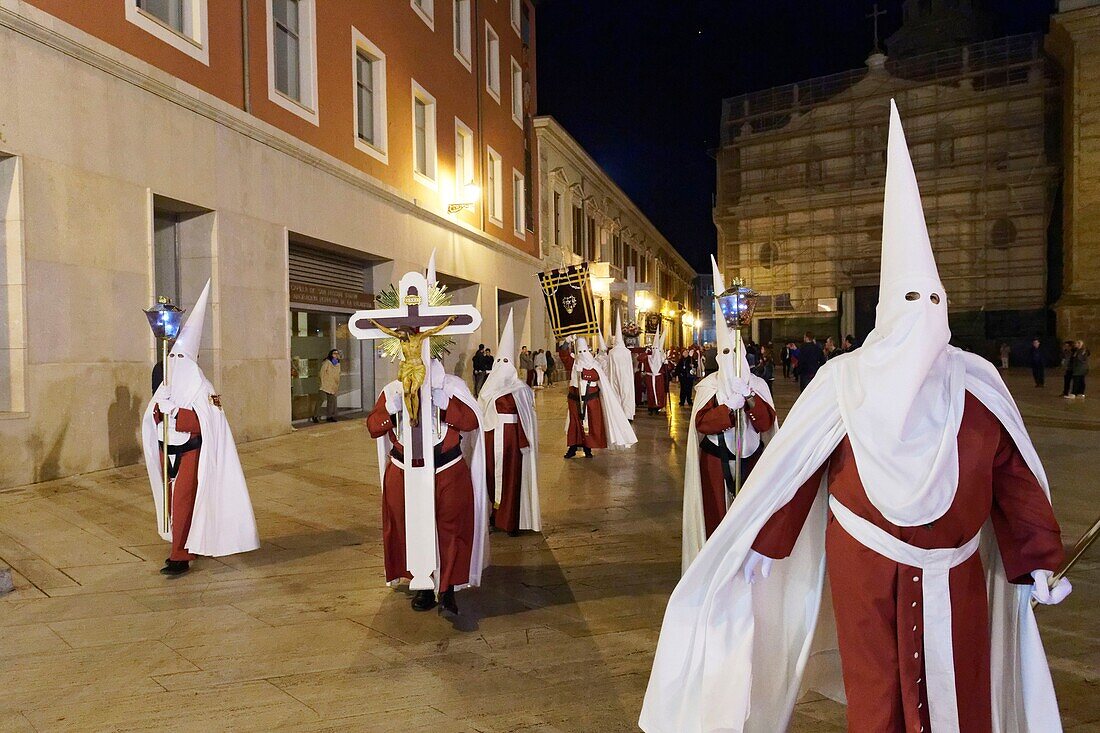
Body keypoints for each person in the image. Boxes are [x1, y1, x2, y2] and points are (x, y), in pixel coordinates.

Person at [641, 102, 1071, 733]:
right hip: (864, 562)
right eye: (911, 300)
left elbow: (1013, 477)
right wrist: (765, 540)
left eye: (935, 300)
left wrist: (1036, 556)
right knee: (877, 697)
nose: (924, 315)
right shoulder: (845, 383)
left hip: (953, 571)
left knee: (962, 694)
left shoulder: (974, 385)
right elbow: (796, 465)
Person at [141, 280, 260, 577]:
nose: (176, 361)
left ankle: (180, 554)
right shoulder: (166, 380)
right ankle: (181, 545)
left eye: (181, 357)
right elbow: (152, 415)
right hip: (165, 450)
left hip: (190, 453)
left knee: (183, 502)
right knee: (171, 503)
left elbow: (208, 420)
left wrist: (177, 415)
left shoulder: (201, 385)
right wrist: (159, 411)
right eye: (173, 357)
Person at [366, 359, 488, 615]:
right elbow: (374, 427)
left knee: (452, 527)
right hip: (403, 470)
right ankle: (420, 583)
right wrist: (390, 409)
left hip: (448, 468)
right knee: (408, 527)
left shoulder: (453, 387)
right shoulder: (392, 390)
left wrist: (447, 406)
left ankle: (448, 586)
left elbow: (472, 422)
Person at [682, 257, 778, 570]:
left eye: (734, 352)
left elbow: (766, 423)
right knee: (718, 519)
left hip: (750, 461)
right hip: (714, 464)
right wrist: (727, 408)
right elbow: (701, 424)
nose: (730, 358)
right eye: (725, 353)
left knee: (750, 520)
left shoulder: (758, 384)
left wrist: (749, 399)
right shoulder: (708, 386)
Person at [478, 311, 541, 536]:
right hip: (491, 437)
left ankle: (511, 520)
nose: (503, 366)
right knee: (490, 478)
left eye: (507, 362)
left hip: (513, 440)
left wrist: (524, 437)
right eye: (499, 362)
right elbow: (480, 413)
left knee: (512, 479)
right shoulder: (487, 389)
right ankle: (494, 517)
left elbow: (527, 416)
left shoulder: (521, 389)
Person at [565, 337, 637, 458]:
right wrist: (566, 343)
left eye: (584, 351)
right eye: (580, 352)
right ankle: (572, 448)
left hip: (590, 402)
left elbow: (596, 376)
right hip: (575, 402)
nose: (582, 355)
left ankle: (588, 449)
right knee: (575, 426)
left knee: (590, 425)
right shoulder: (573, 363)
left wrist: (583, 373)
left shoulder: (594, 364)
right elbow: (564, 356)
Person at [608, 313, 637, 422]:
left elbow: (610, 367)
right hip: (626, 376)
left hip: (615, 375)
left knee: (616, 394)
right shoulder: (627, 352)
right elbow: (631, 366)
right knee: (626, 393)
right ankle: (628, 414)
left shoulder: (612, 352)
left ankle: (618, 414)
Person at [641, 328, 669, 416]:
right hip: (650, 377)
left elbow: (668, 369)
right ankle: (651, 407)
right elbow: (640, 359)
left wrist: (666, 363)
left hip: (659, 378)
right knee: (650, 392)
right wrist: (646, 353)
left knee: (659, 392)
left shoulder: (662, 358)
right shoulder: (648, 357)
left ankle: (658, 407)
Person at [311, 349, 342, 423]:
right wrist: (322, 382)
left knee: (331, 402)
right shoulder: (327, 362)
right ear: (331, 354)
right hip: (325, 384)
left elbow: (338, 374)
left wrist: (337, 384)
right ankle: (315, 415)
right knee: (320, 400)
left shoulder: (338, 364)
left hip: (333, 385)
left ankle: (329, 416)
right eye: (334, 353)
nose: (336, 355)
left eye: (337, 353)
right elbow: (321, 373)